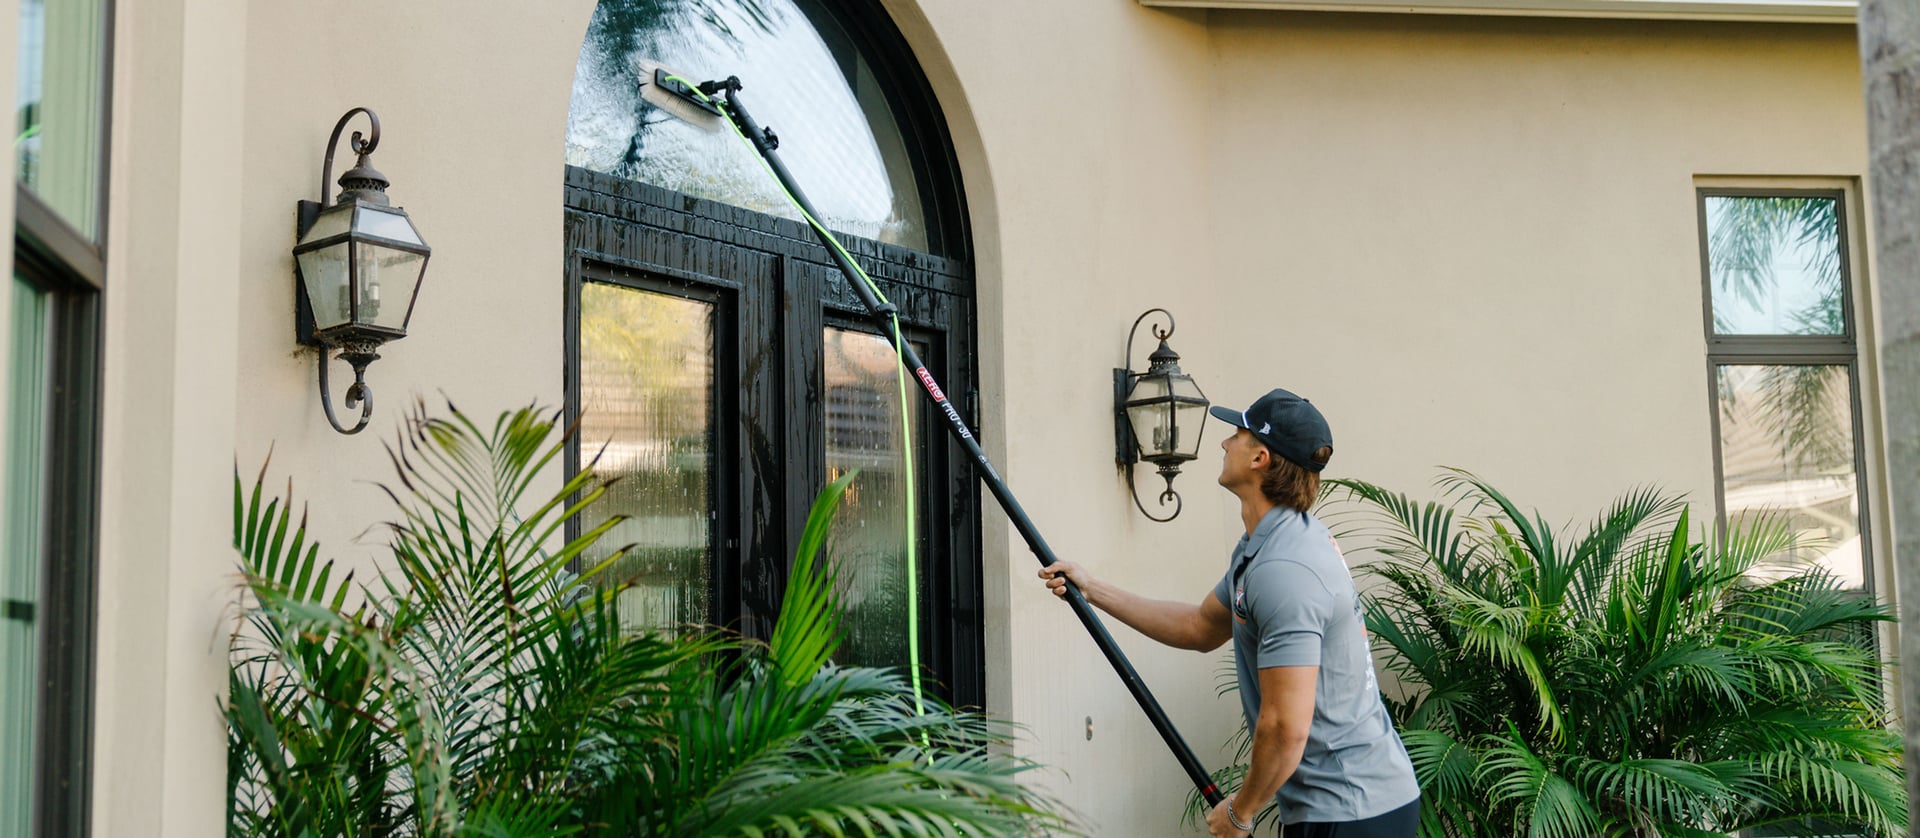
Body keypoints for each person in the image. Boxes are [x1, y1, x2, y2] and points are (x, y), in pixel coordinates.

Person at [1040, 388, 1420, 837]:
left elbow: (1284, 728)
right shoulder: (1268, 544)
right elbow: (1199, 627)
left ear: (1260, 458)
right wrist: (1092, 589)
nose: (1224, 443)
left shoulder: (1287, 569)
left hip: (1351, 811)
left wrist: (1241, 812)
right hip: (1340, 806)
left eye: (1236, 434)